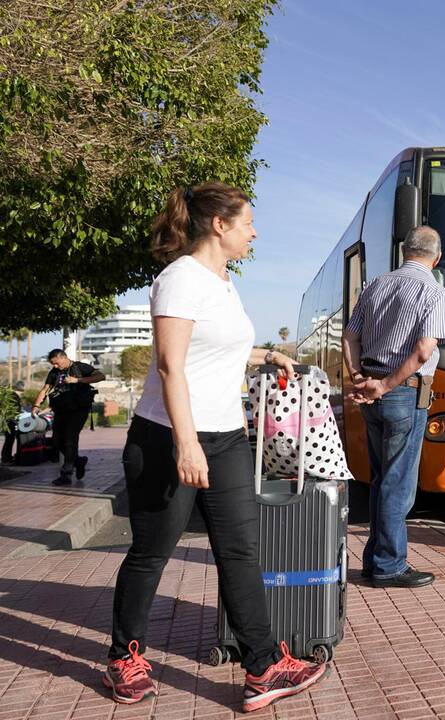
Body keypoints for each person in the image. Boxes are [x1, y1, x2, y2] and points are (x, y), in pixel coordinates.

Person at [105, 183, 328, 711]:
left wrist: (266, 354)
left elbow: (217, 348)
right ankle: (124, 658)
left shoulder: (223, 282)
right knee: (151, 553)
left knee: (241, 551)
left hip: (227, 436)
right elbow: (170, 364)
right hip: (167, 438)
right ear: (219, 226)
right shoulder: (180, 278)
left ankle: (263, 666)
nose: (255, 231)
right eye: (247, 221)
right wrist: (186, 444)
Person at [342, 225, 445, 588]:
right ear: (436, 257)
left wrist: (360, 377)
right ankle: (389, 565)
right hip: (403, 393)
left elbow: (349, 335)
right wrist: (388, 385)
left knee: (381, 480)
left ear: (405, 251)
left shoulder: (376, 285)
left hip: (372, 393)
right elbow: (423, 350)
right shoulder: (433, 291)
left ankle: (375, 560)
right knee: (398, 483)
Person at [31, 349, 104, 485]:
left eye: (57, 363)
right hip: (61, 410)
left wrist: (78, 380)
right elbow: (45, 389)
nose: (55, 366)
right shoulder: (54, 372)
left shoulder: (80, 367)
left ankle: (66, 474)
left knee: (70, 439)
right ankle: (79, 461)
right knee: (56, 442)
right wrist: (36, 406)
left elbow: (101, 376)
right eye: (53, 364)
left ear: (64, 358)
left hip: (79, 409)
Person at [2, 383, 22, 464]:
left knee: (9, 439)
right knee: (10, 439)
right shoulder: (13, 395)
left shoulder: (10, 395)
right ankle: (6, 459)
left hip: (9, 420)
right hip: (10, 420)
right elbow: (15, 408)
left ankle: (6, 458)